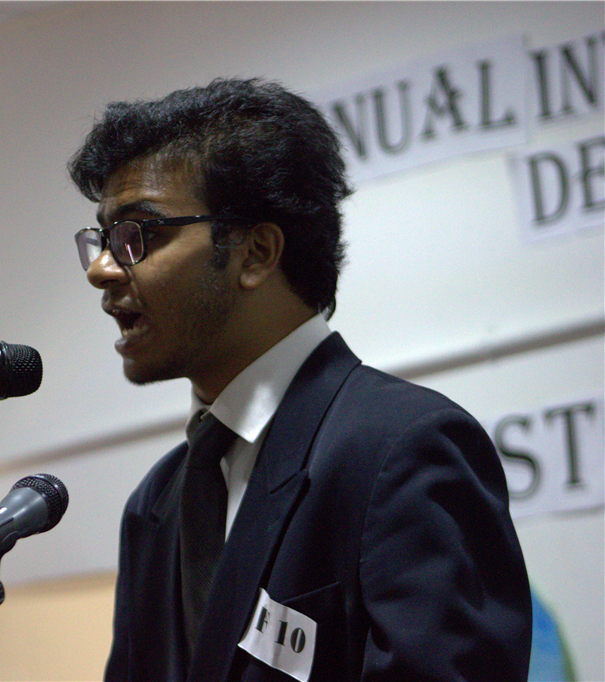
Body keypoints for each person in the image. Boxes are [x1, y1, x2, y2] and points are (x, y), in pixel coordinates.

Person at [67, 78, 531, 682]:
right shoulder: (155, 504)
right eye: (103, 240)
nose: (102, 269)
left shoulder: (402, 448)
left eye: (138, 236)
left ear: (256, 252)